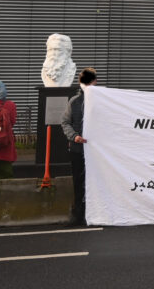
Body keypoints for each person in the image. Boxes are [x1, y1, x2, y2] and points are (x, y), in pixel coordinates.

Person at [61, 67, 97, 226]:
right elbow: (65, 122)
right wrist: (74, 136)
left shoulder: (102, 101)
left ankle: (95, 213)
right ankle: (78, 215)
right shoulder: (74, 101)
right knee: (79, 182)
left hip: (97, 152)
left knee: (96, 182)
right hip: (77, 150)